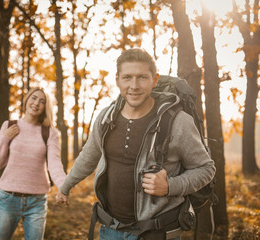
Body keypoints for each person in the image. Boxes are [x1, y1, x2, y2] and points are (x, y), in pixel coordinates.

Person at [56, 48, 216, 240]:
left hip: (157, 233)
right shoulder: (106, 118)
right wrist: (65, 187)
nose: (134, 85)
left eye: (142, 77)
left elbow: (206, 168)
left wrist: (170, 186)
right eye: (127, 77)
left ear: (154, 80)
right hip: (110, 230)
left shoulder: (177, 122)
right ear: (117, 80)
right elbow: (88, 157)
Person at [0, 87, 66, 240]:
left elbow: (54, 164)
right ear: (27, 100)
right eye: (33, 98)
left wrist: (64, 187)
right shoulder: (9, 125)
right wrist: (5, 138)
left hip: (36, 202)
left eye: (42, 101)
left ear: (46, 107)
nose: (36, 103)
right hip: (8, 199)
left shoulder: (50, 133)